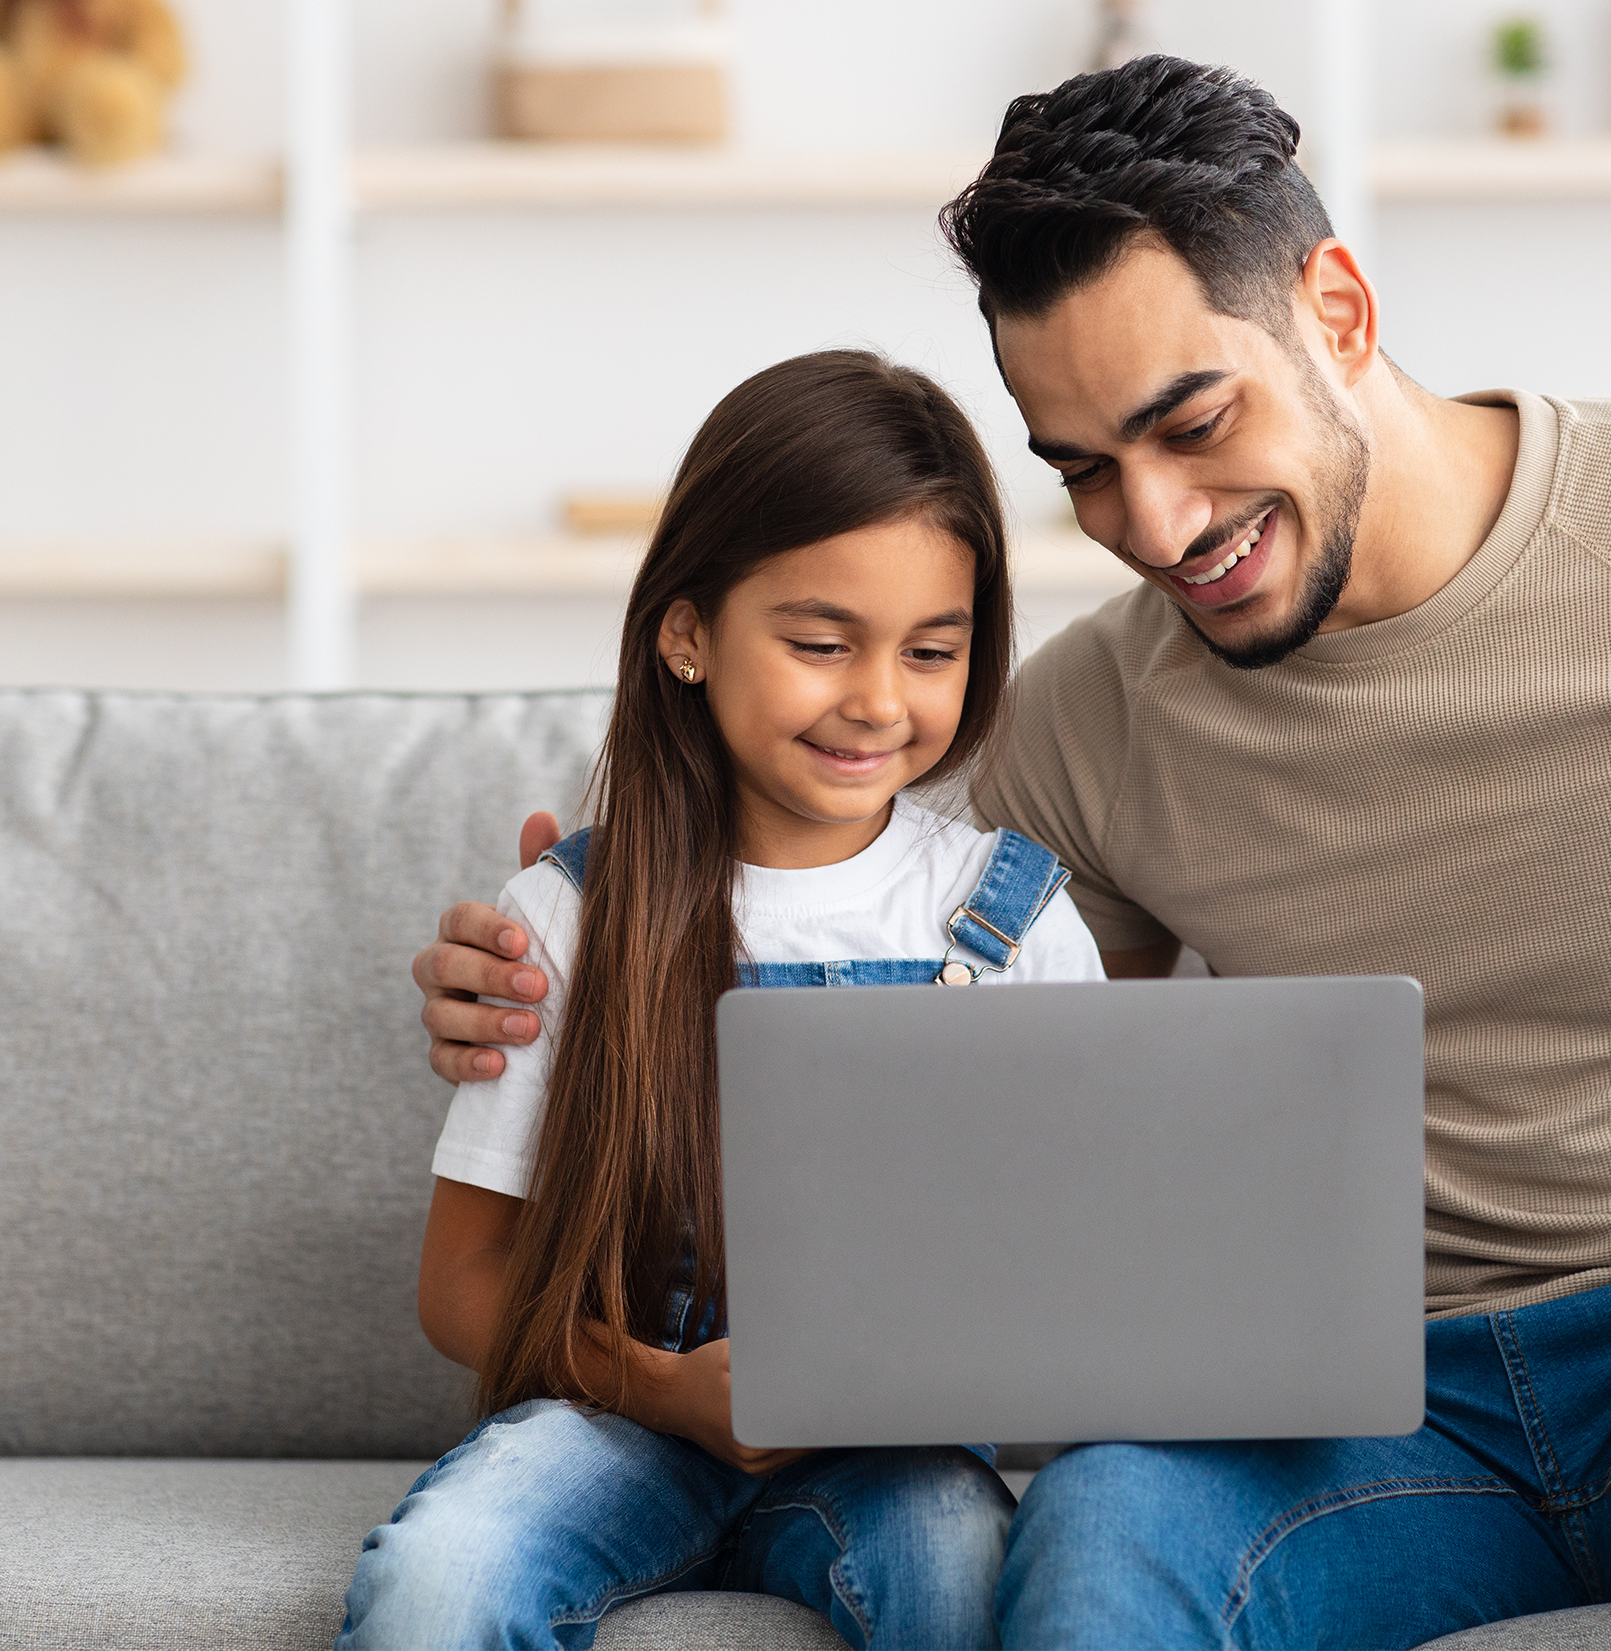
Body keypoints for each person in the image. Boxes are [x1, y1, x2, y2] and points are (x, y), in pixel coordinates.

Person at [412, 59, 1611, 1651]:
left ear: (1341, 310)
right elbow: (893, 1034)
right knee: (1103, 1519)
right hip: (1360, 1426)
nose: (1152, 524)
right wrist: (578, 925)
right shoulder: (1091, 715)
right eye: (1080, 469)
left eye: (1189, 422)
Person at [345, 350, 1105, 1651]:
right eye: (820, 643)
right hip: (618, 1415)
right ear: (686, 631)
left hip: (896, 1451)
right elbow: (461, 1281)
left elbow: (1100, 1263)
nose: (877, 699)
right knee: (438, 1583)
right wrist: (665, 1386)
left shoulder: (1013, 915)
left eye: (933, 649)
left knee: (966, 1571)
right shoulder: (568, 914)